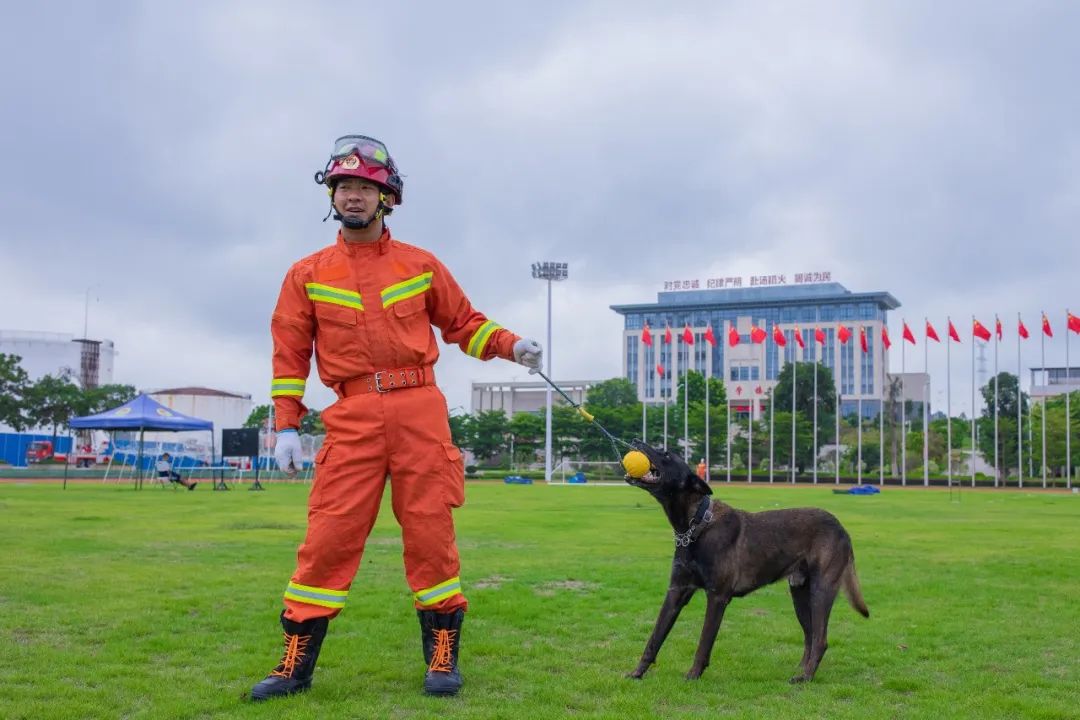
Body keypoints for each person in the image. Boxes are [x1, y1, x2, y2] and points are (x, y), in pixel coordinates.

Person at [251, 134, 543, 702]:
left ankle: (442, 657)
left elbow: (463, 324)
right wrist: (285, 425)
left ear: (387, 198)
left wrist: (512, 346)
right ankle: (293, 666)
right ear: (332, 196)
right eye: (343, 186)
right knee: (328, 538)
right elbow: (289, 356)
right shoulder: (306, 274)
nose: (353, 196)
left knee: (432, 535)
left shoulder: (420, 264)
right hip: (351, 416)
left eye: (365, 187)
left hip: (419, 412)